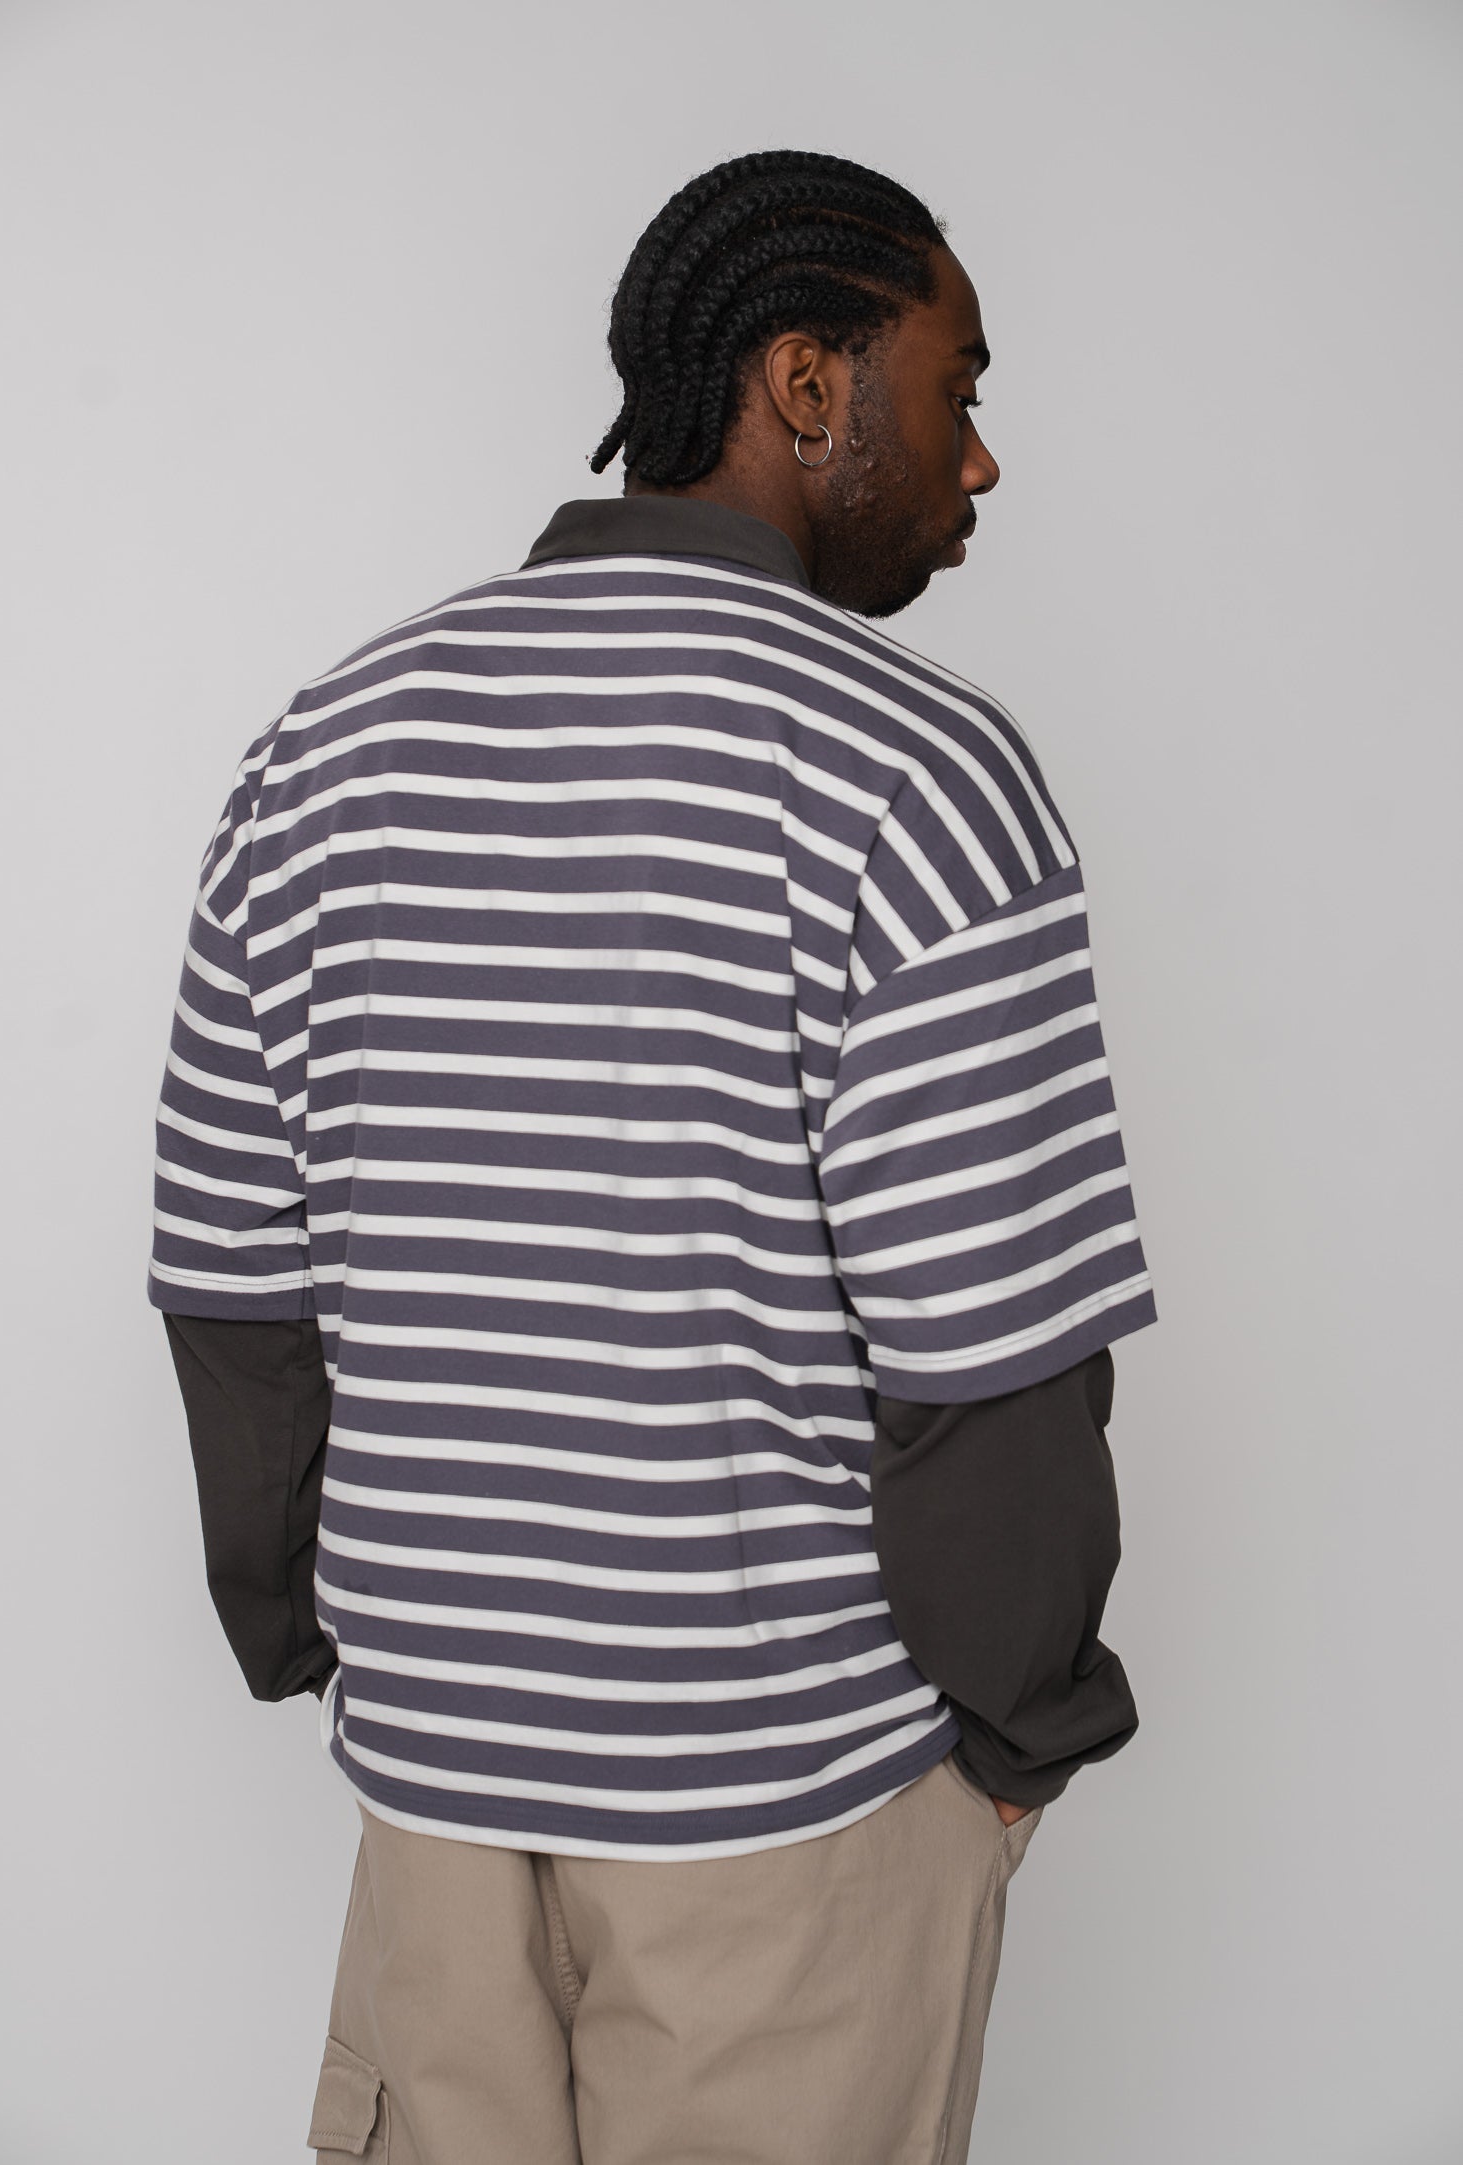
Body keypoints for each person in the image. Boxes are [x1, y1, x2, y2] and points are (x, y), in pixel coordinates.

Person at [149, 148, 1157, 2165]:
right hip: (794, 1824)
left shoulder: (324, 747)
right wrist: (1025, 1726)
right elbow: (993, 1371)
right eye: (955, 388)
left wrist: (322, 1633)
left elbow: (235, 1294)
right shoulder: (918, 774)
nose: (979, 462)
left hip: (436, 1806)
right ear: (806, 382)